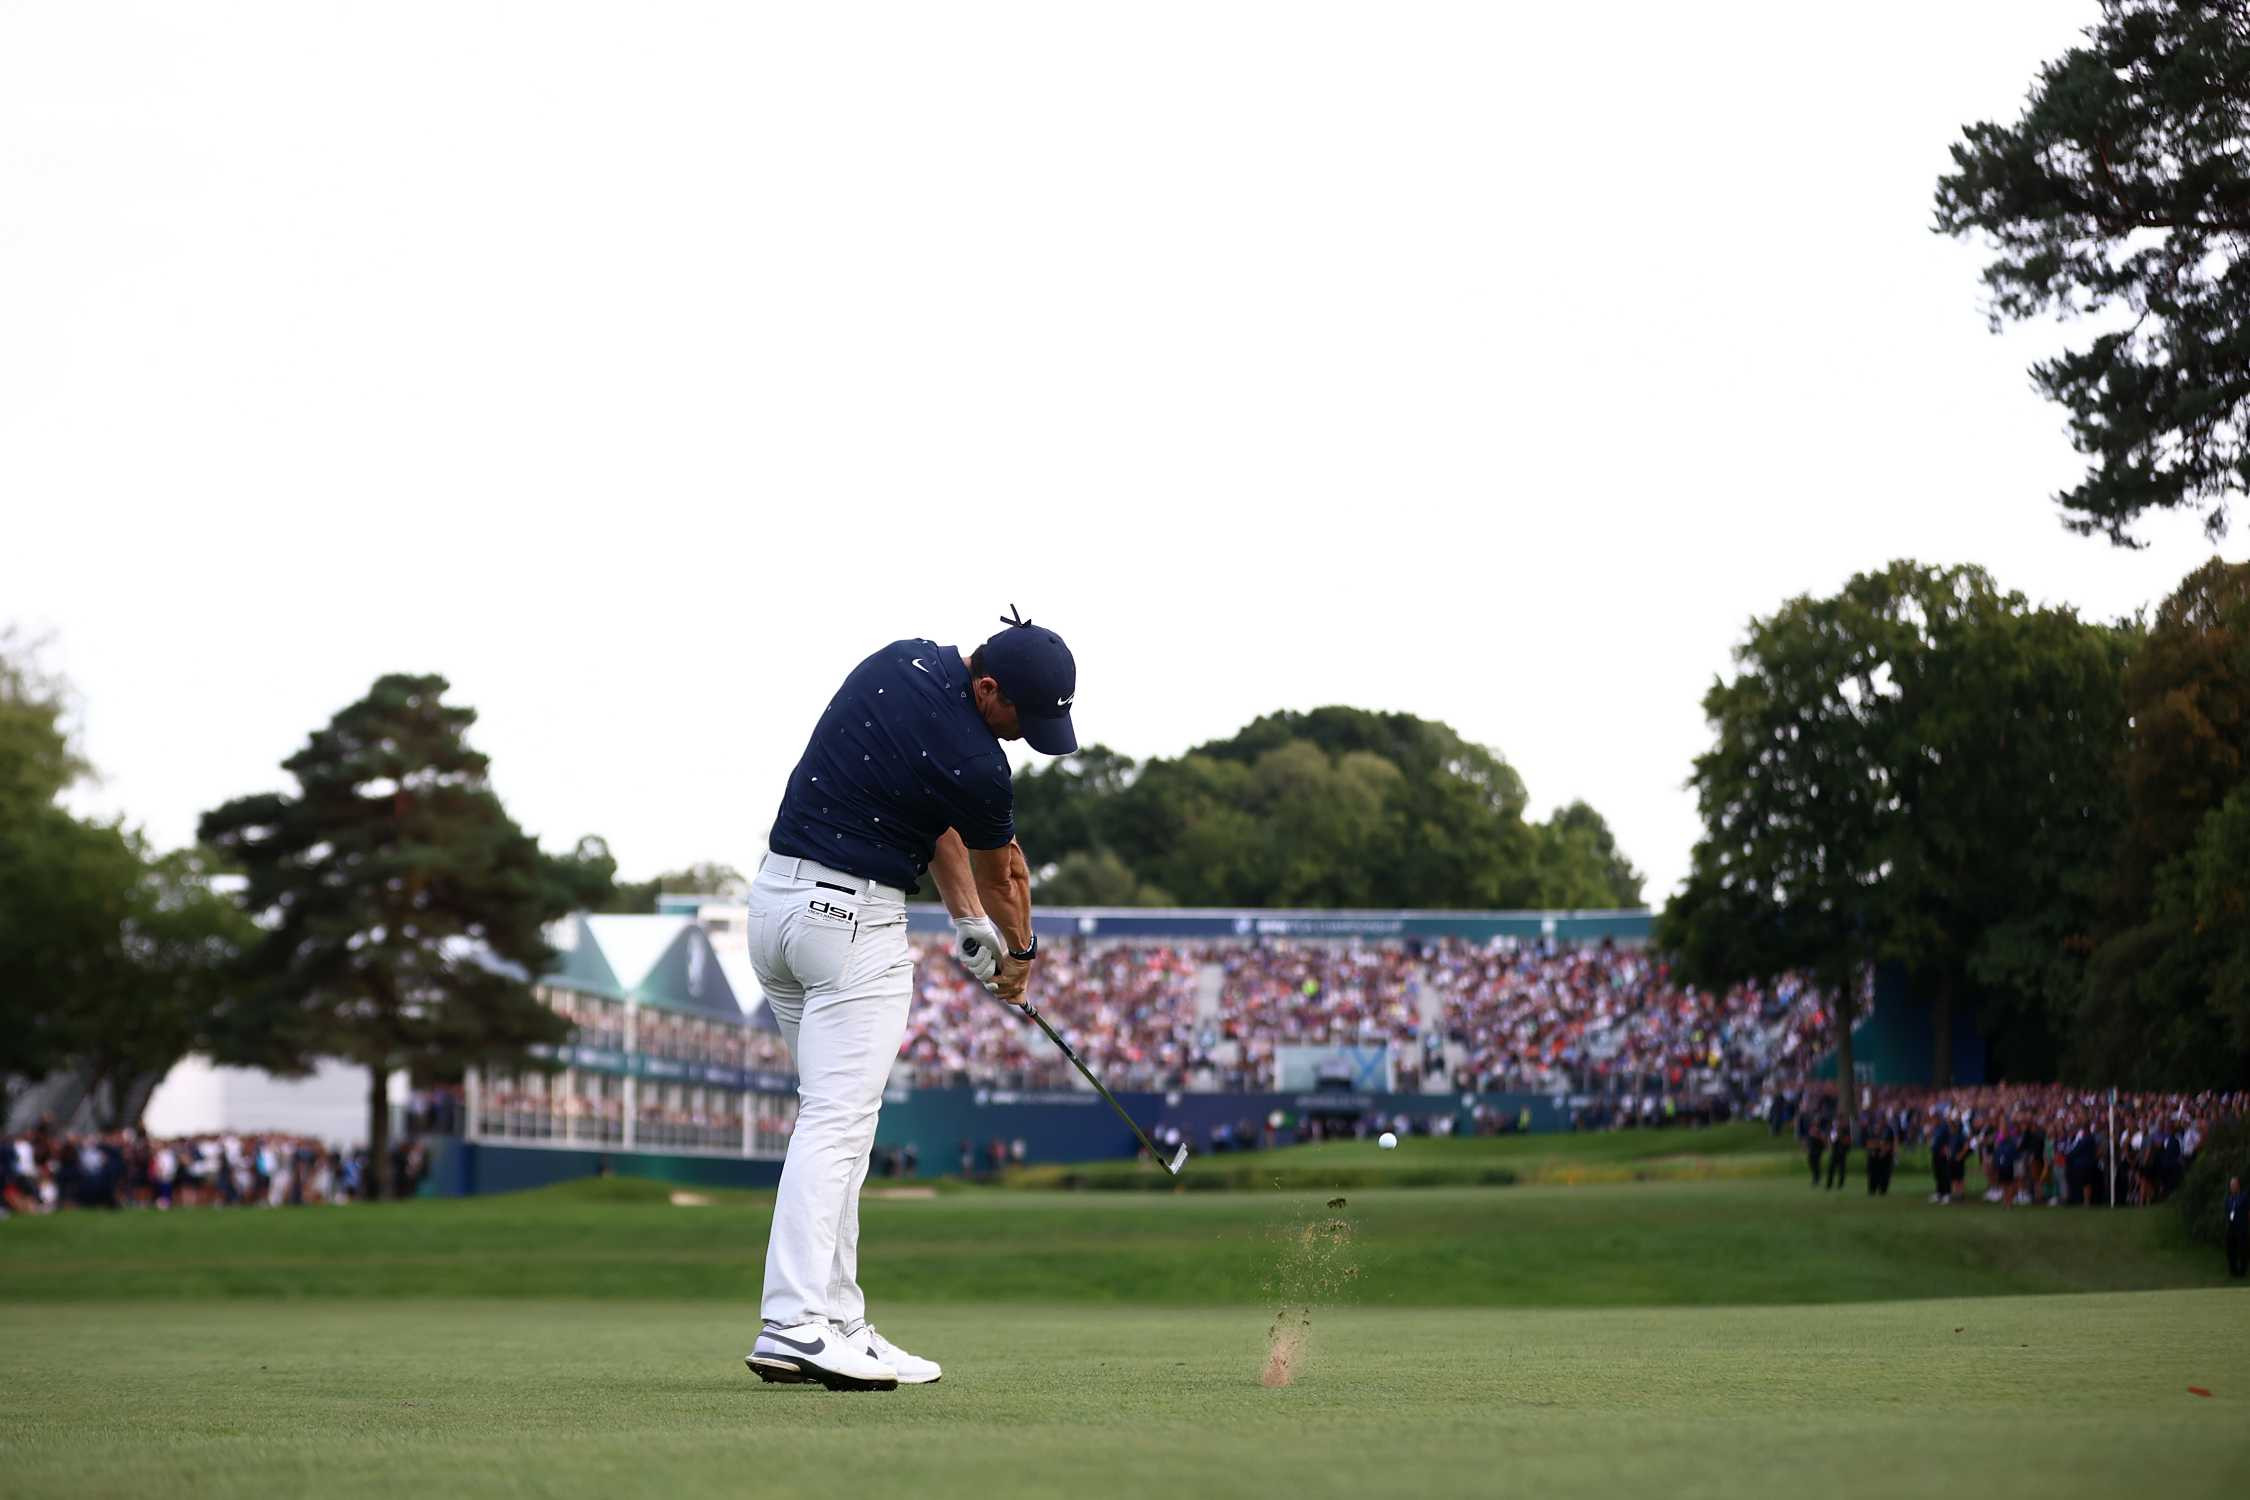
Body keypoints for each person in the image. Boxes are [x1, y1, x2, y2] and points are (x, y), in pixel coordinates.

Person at [743, 608, 1076, 1393]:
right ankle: (792, 1323)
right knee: (837, 1124)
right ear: (987, 686)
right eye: (1018, 721)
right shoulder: (978, 759)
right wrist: (1018, 956)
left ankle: (838, 1321)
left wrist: (964, 922)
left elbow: (936, 823)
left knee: (840, 1127)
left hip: (775, 911)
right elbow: (1008, 876)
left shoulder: (897, 662)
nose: (1018, 739)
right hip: (851, 923)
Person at [2225, 1176, 2248, 1279]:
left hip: (2241, 1226)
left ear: (2238, 1185)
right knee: (2230, 1248)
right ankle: (2233, 1270)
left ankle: (2242, 1271)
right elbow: (2228, 1212)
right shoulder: (2229, 1199)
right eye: (2231, 1185)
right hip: (2232, 1226)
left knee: (2242, 1249)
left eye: (2234, 1185)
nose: (2232, 1187)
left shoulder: (2244, 1197)